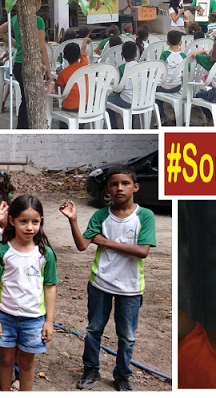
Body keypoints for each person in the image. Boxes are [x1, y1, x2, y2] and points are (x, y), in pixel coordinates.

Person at [60, 166, 155, 391]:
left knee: (127, 336)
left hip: (131, 287)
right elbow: (83, 245)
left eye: (124, 183)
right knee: (94, 329)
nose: (119, 188)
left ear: (135, 187)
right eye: (113, 184)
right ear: (107, 190)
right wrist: (73, 220)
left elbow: (142, 251)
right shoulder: (101, 215)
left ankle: (122, 375)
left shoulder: (144, 216)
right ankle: (90, 369)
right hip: (100, 283)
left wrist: (106, 242)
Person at [0, 195, 59, 392]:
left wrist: (49, 321)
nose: (29, 227)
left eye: (35, 221)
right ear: (12, 221)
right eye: (23, 221)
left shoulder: (45, 254)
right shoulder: (2, 250)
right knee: (6, 360)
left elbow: (50, 286)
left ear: (41, 221)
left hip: (34, 319)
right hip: (5, 317)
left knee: (26, 364)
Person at [54, 42, 89, 114]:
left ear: (64, 57)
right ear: (79, 56)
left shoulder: (63, 73)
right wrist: (84, 42)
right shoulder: (85, 65)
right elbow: (83, 52)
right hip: (85, 105)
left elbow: (59, 90)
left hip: (69, 107)